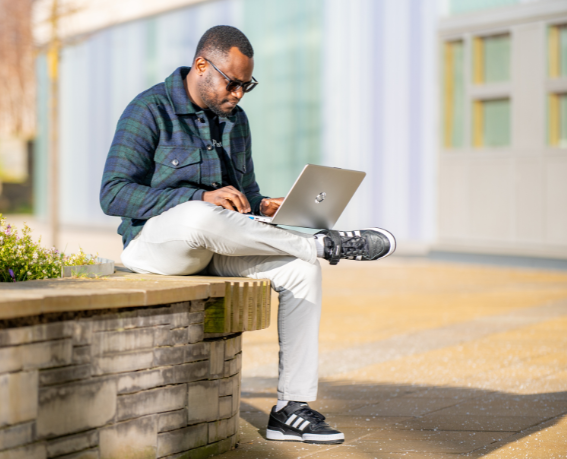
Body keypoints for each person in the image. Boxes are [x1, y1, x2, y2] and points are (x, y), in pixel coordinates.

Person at [100, 25, 395, 445]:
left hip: (213, 246)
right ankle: (323, 243)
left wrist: (263, 207)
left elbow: (245, 193)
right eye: (232, 83)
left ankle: (291, 409)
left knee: (301, 270)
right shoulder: (148, 109)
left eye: (246, 85)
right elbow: (112, 194)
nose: (238, 94)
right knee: (199, 215)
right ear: (202, 66)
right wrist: (200, 196)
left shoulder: (235, 121)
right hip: (156, 247)